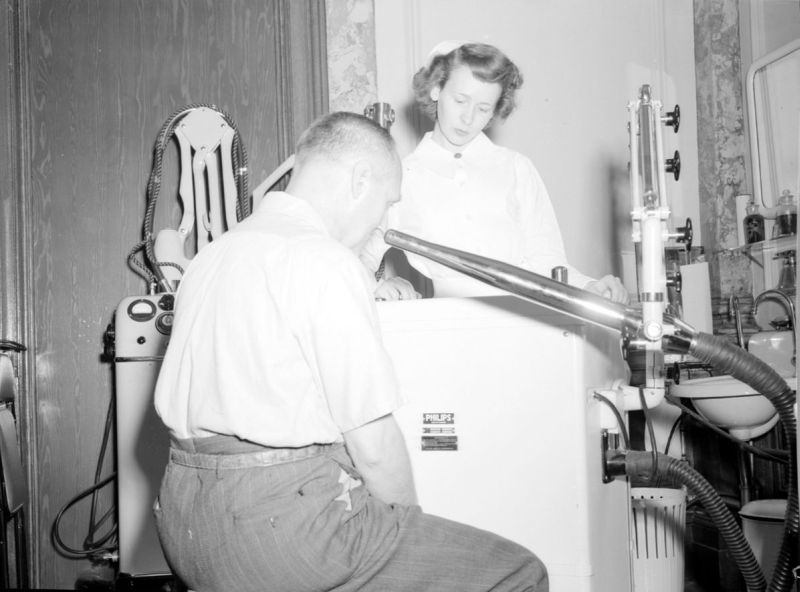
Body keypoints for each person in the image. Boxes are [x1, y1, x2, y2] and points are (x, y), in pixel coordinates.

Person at [153, 111, 548, 592]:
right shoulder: (323, 259)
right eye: (386, 203)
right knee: (520, 571)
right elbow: (375, 449)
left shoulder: (211, 257)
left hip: (184, 525)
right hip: (278, 531)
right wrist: (408, 531)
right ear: (361, 179)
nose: (382, 222)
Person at [363, 42, 628, 303]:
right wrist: (379, 285)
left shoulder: (516, 168)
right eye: (460, 100)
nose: (468, 118)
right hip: (446, 324)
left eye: (483, 109)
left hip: (526, 319)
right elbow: (360, 255)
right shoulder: (404, 175)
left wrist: (590, 286)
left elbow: (547, 262)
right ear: (435, 89)